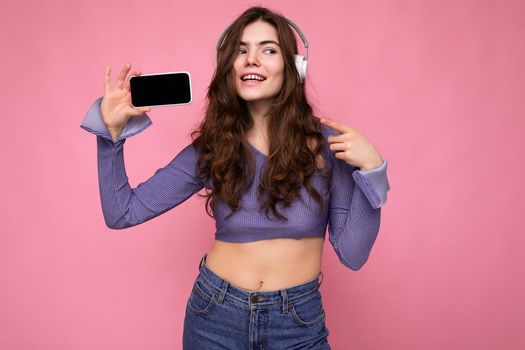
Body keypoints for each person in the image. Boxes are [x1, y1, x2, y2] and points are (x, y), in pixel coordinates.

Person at [80, 6, 390, 350]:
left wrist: (372, 170)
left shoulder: (330, 144)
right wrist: (110, 136)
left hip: (298, 323)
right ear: (228, 66)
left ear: (295, 67)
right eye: (241, 50)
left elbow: (353, 253)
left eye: (268, 50)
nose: (251, 59)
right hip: (215, 314)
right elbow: (123, 212)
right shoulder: (213, 148)